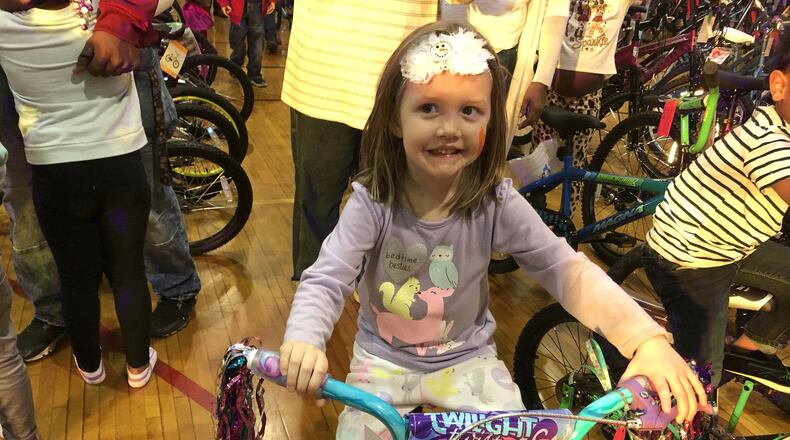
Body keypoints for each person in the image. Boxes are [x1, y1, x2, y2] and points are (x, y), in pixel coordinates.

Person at [279, 22, 707, 439]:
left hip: (468, 362)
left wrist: (643, 338)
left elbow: (566, 270)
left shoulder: (495, 202)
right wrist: (304, 338)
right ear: (395, 119)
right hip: (382, 364)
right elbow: (327, 277)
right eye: (429, 108)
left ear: (489, 121)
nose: (449, 128)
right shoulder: (372, 203)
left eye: (469, 111)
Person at [285, 0, 567, 281]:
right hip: (321, 72)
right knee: (318, 204)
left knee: (396, 204)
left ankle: (385, 293)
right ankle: (314, 298)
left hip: (408, 75)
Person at [0, 1, 201, 364]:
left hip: (109, 54)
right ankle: (58, 316)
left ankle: (175, 287)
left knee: (145, 205)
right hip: (44, 104)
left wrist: (123, 19)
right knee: (30, 213)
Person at [642, 29, 790, 390]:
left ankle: (752, 346)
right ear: (780, 87)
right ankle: (651, 424)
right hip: (691, 259)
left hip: (729, 244)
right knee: (699, 382)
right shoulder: (770, 140)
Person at [531, 0, 637, 213]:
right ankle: (530, 211)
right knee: (538, 162)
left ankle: (566, 220)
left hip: (586, 98)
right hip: (550, 92)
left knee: (577, 165)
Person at [218, 0, 273, 87]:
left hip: (257, 6)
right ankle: (235, 66)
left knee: (257, 43)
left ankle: (254, 74)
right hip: (236, 7)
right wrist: (224, 3)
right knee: (237, 43)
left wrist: (272, 1)